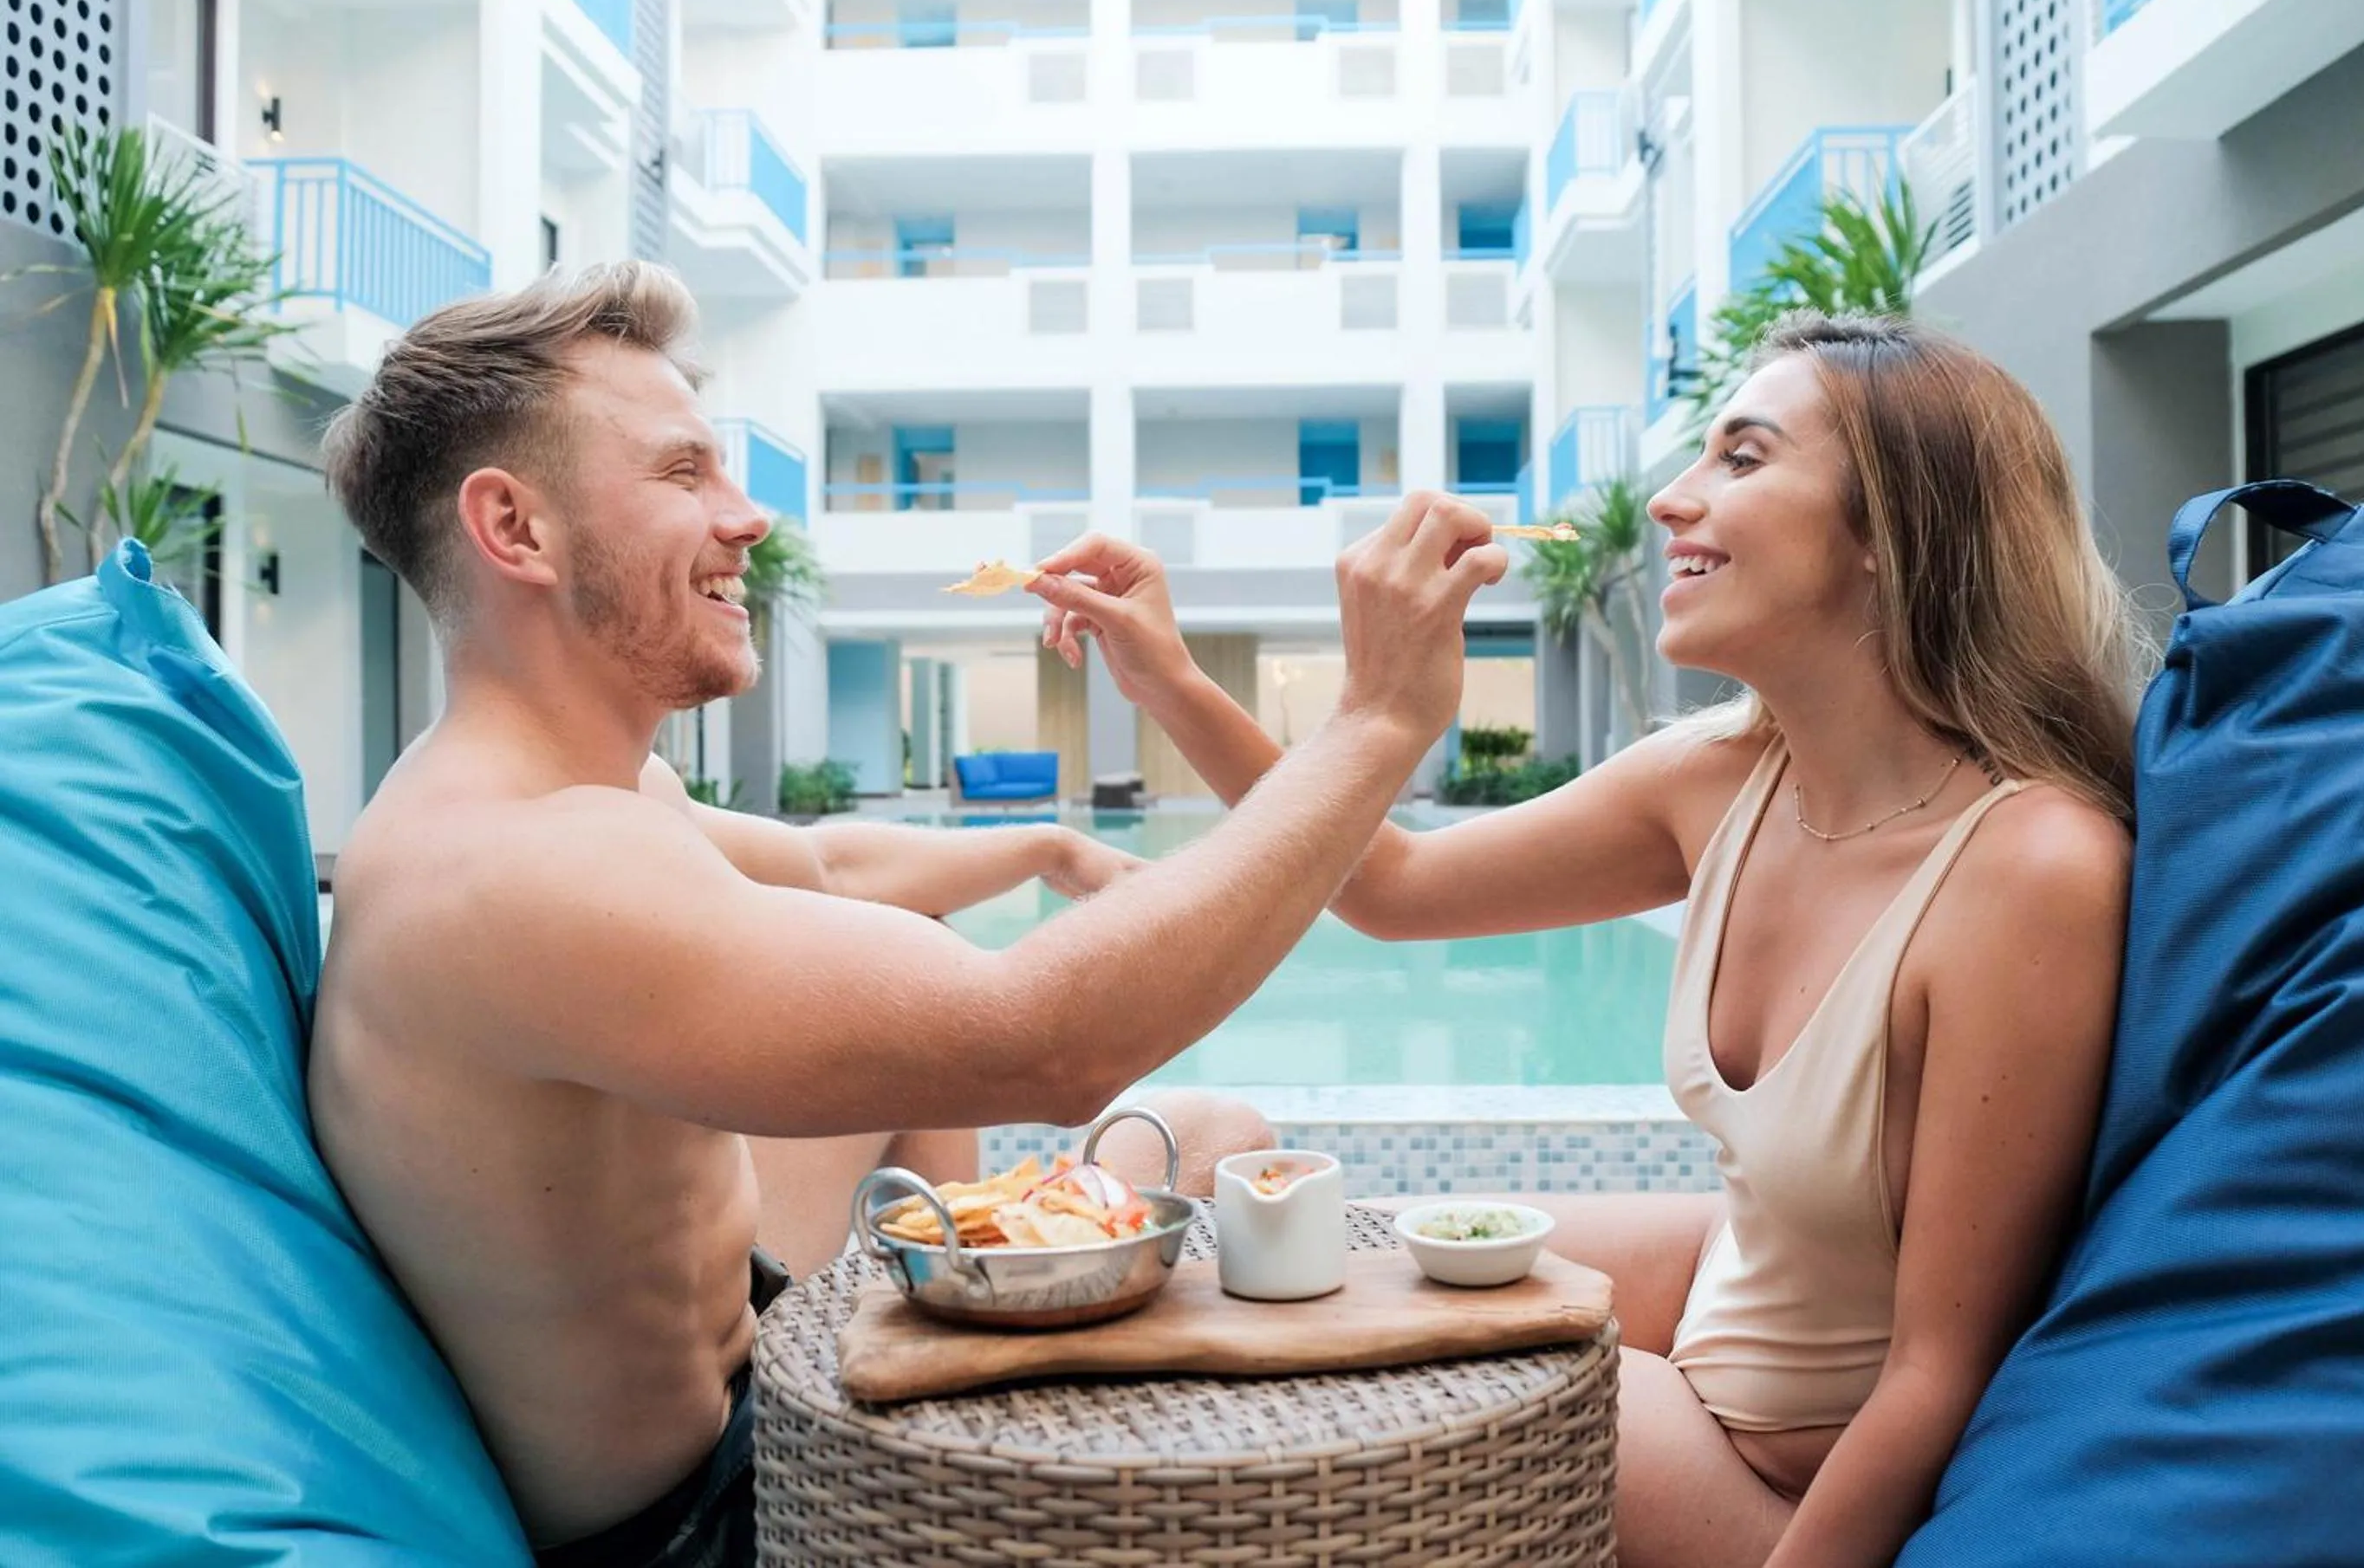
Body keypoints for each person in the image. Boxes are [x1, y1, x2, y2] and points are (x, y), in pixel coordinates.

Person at [308, 261, 1510, 1565]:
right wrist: (1378, 721)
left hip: (753, 1345)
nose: (746, 518)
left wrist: (1046, 842)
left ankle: (977, 1349)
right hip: (716, 1518)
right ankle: (1003, 1407)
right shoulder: (524, 872)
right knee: (1206, 1132)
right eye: (682, 474)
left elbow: (825, 873)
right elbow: (1046, 1041)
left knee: (999, 1030)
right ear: (516, 529)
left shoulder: (560, 792)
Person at [1027, 312, 2149, 1568]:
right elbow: (1390, 884)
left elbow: (1941, 1373)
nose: (1672, 499)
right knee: (1224, 1158)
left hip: (1776, 1476)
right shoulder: (1721, 778)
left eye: (1740, 457)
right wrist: (1169, 678)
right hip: (1717, 1283)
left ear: (1891, 532)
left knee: (1339, 1345)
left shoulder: (2031, 871)